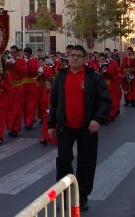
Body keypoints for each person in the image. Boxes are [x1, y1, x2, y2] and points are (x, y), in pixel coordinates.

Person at [48, 45, 111, 211]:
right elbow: (53, 102)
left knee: (86, 163)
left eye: (78, 56)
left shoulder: (93, 77)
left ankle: (82, 196)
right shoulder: (61, 76)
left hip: (87, 127)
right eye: (72, 55)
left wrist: (97, 119)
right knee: (63, 161)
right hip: (65, 127)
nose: (74, 58)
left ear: (85, 59)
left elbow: (104, 100)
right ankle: (66, 193)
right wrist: (51, 124)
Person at [5, 45, 26, 137]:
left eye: (14, 52)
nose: (12, 54)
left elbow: (23, 72)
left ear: (17, 53)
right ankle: (10, 127)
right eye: (11, 52)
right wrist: (6, 63)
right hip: (9, 87)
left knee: (17, 109)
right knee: (9, 109)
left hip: (18, 87)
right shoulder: (8, 61)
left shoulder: (22, 61)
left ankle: (16, 129)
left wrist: (15, 64)